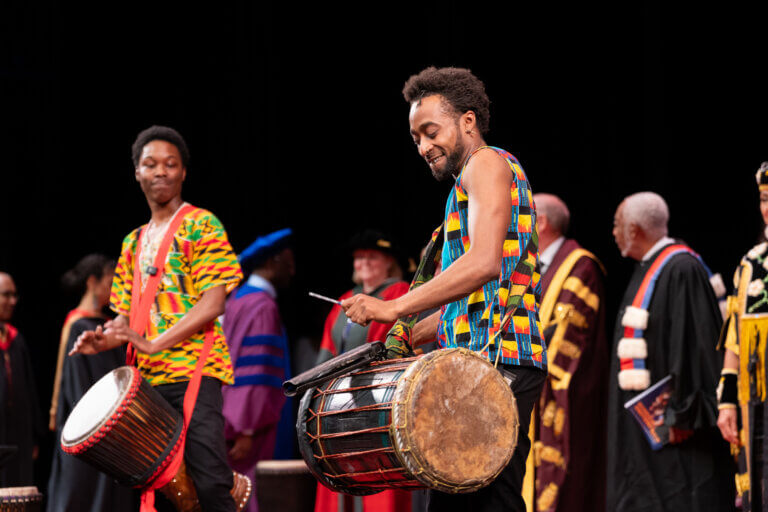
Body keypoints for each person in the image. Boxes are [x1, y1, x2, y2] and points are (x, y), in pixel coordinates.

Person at [342, 66, 546, 512]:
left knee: (490, 501)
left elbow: (484, 263)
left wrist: (393, 309)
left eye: (430, 131)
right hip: (483, 362)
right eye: (415, 137)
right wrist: (413, 333)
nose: (423, 146)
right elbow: (479, 294)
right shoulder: (468, 180)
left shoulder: (486, 164)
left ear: (467, 121)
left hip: (500, 360)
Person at [70, 125, 243, 512]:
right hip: (147, 382)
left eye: (170, 164)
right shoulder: (132, 243)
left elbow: (214, 302)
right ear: (137, 172)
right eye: (151, 164)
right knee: (167, 494)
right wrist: (107, 338)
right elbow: (126, 320)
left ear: (183, 172)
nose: (161, 171)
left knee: (211, 483)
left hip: (193, 373)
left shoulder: (202, 224)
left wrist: (153, 342)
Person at [606, 191, 734, 511]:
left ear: (634, 230)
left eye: (617, 224)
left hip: (676, 433)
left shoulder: (682, 269)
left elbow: (695, 348)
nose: (613, 232)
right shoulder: (650, 267)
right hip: (648, 434)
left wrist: (681, 413)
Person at [314, 229, 411, 512]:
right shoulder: (347, 298)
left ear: (388, 262)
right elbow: (327, 349)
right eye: (359, 258)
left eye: (373, 257)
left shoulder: (399, 293)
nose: (364, 262)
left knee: (376, 476)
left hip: (378, 398)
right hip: (338, 402)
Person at [523, 193, 608, 512]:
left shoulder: (580, 266)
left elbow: (568, 341)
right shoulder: (530, 269)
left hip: (560, 396)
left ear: (540, 222)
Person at [46, 254, 137, 512]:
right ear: (92, 282)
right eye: (110, 281)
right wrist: (93, 424)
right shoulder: (79, 326)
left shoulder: (108, 327)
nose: (114, 288)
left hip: (113, 428)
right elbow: (74, 386)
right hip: (87, 428)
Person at [222, 228, 295, 512]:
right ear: (270, 262)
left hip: (230, 416)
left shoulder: (236, 300)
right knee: (253, 496)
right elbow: (256, 370)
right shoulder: (262, 306)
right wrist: (246, 428)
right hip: (253, 426)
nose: (292, 270)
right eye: (287, 262)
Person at [716, 162, 768, 510]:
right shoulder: (752, 263)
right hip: (759, 405)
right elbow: (735, 336)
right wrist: (727, 401)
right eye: (765, 198)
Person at [0, 272, 42, 487]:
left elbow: (29, 391)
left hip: (19, 434)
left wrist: (34, 434)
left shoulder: (16, 339)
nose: (12, 301)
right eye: (6, 295)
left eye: (14, 295)